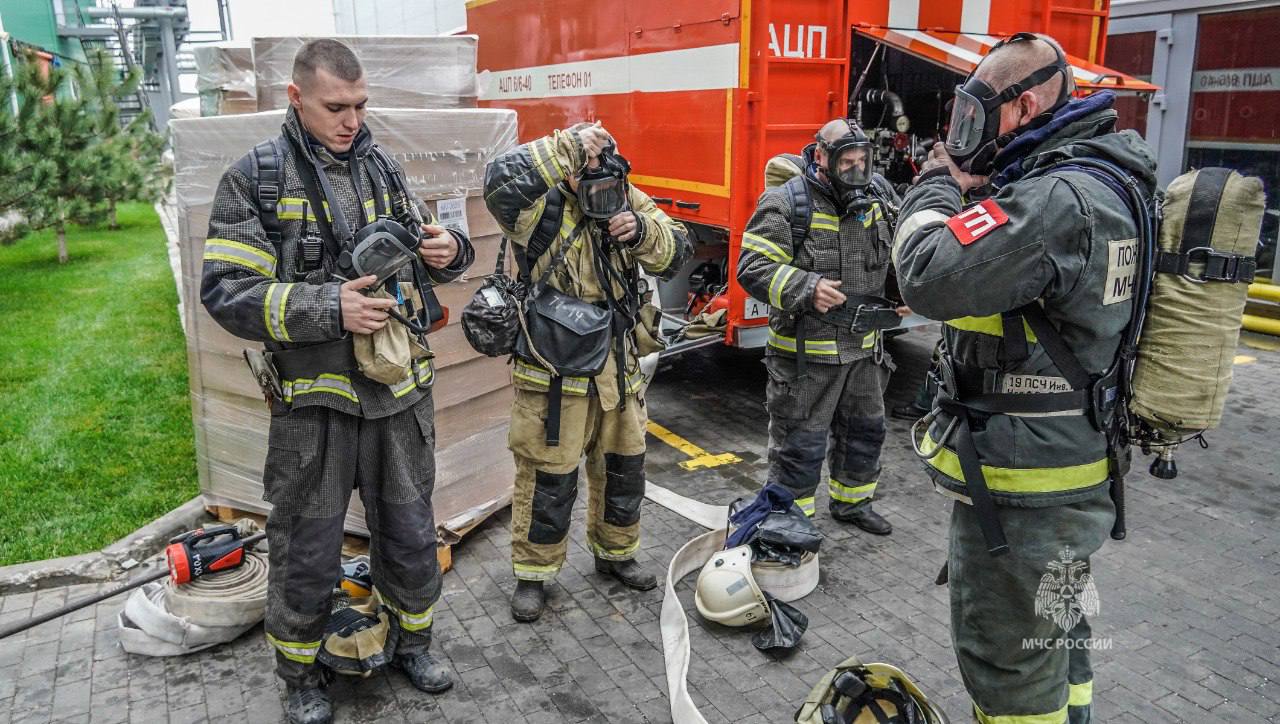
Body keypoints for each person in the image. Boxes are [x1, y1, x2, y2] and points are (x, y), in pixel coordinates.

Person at [201, 39, 473, 724]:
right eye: (335, 107)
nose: (351, 120)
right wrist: (329, 307)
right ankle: (300, 675)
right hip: (312, 404)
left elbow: (417, 257)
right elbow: (227, 290)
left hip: (397, 394)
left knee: (411, 531)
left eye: (359, 106)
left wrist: (447, 254)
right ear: (296, 98)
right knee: (306, 545)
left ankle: (414, 641)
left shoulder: (383, 168)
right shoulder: (256, 178)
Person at [892, 33, 1157, 723]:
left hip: (1023, 493)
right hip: (1074, 470)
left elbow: (925, 271)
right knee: (1057, 634)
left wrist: (935, 184)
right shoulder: (1105, 180)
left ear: (1026, 103)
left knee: (1006, 661)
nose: (963, 133)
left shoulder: (1052, 201)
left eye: (976, 116)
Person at [483, 122, 692, 622]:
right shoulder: (539, 207)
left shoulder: (626, 197)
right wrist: (566, 146)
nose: (593, 181)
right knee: (548, 475)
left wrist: (641, 231)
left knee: (625, 466)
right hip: (554, 368)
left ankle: (617, 553)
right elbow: (498, 183)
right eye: (583, 170)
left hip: (618, 365)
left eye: (601, 170)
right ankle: (534, 575)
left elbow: (677, 251)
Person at [736, 119, 906, 534]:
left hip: (865, 349)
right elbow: (752, 268)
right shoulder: (786, 203)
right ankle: (792, 523)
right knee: (800, 442)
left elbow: (896, 249)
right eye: (846, 162)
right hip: (805, 357)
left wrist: (901, 292)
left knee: (865, 432)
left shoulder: (879, 196)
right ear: (820, 158)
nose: (856, 170)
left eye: (862, 161)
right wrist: (806, 287)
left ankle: (853, 504)